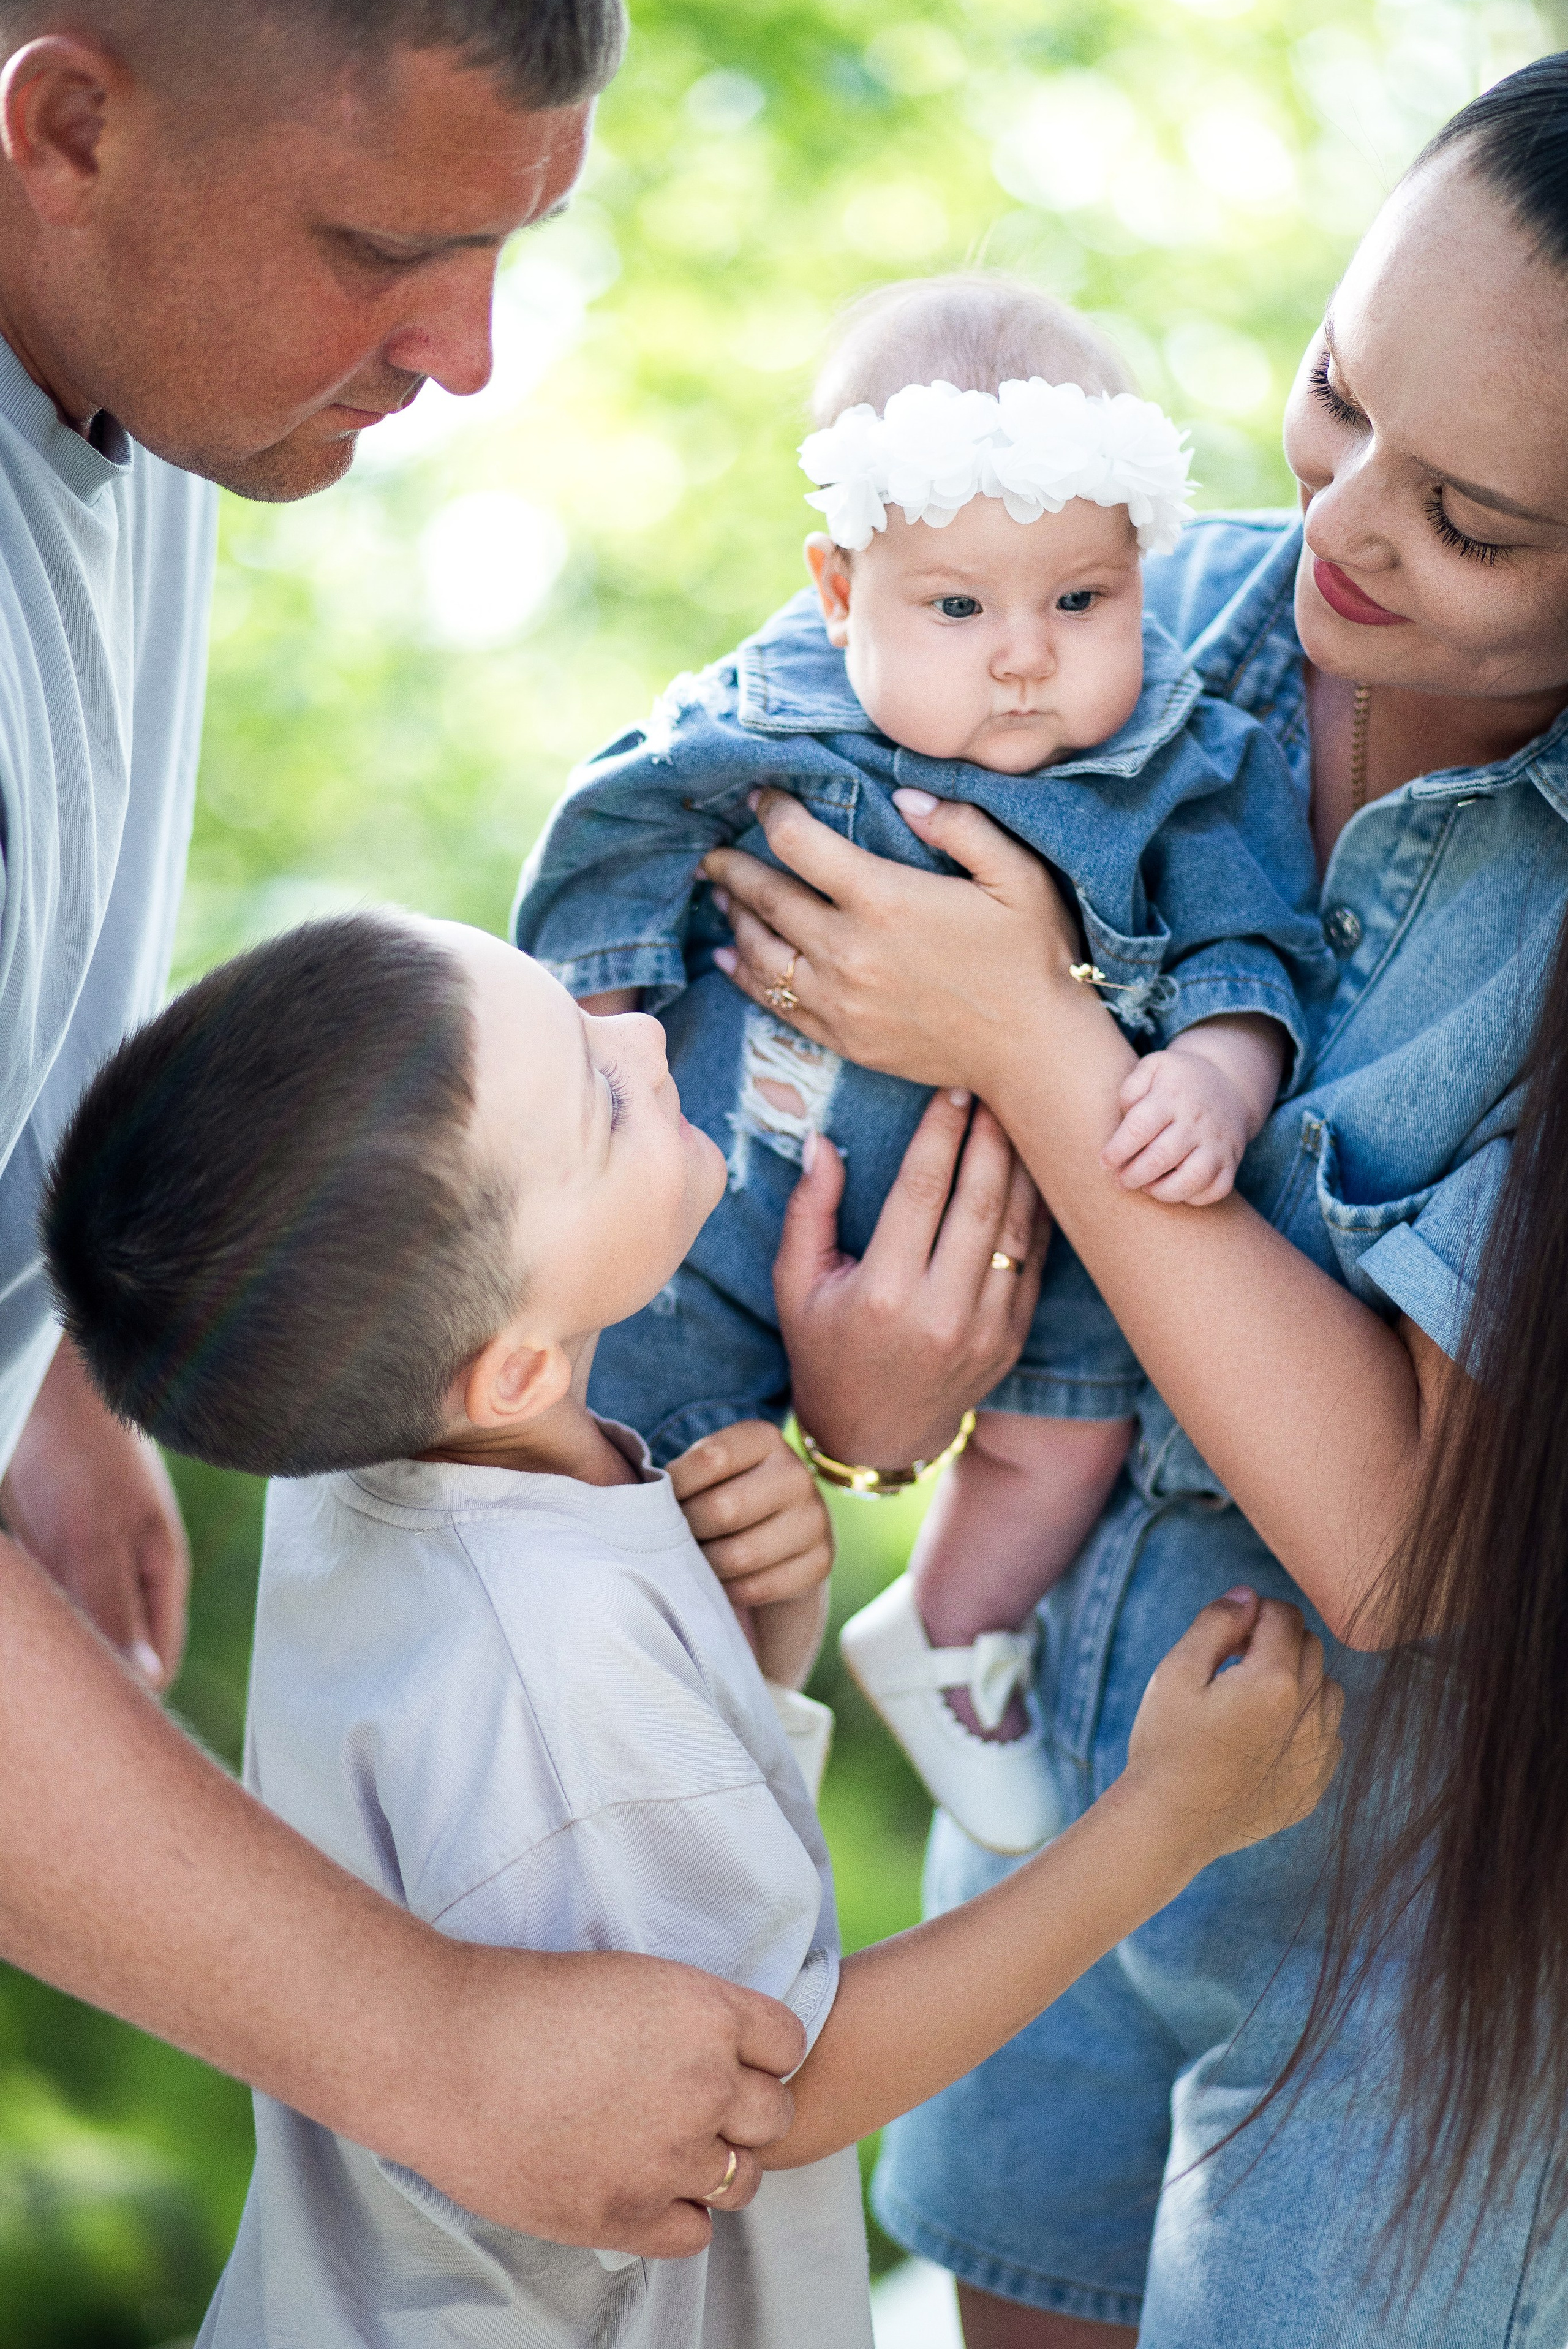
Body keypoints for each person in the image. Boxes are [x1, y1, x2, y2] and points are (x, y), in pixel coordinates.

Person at [697, 55, 1568, 2348]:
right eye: (1334, 397)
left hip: (1431, 1944)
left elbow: (1407, 1541)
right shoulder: (1097, 610)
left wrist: (1033, 1037)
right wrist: (855, 1411)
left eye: (1479, 521)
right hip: (1065, 1799)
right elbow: (755, 1043)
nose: (1348, 531)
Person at [40, 905, 1341, 2346]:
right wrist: (1165, 1823)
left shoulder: (359, 1471)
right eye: (599, 1103)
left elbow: (604, 1853)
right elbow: (780, 2085)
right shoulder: (560, 1654)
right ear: (513, 1362)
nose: (644, 1033)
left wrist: (749, 1647)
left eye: (573, 1004)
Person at [0, 0, 816, 2258]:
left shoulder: (152, 359)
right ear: (66, 128)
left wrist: (64, 1345)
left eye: (509, 245)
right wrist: (430, 2040)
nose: (462, 356)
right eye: (381, 246)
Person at [514, 273, 1332, 1854]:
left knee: (1074, 1423)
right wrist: (602, 1030)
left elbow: (1252, 938)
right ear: (842, 589)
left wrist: (1222, 1071)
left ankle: (950, 1633)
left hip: (1037, 1224)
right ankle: (606, 1733)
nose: (1024, 659)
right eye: (957, 608)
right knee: (638, 1431)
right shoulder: (770, 720)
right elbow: (607, 829)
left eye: (1080, 602)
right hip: (713, 1188)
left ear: (1139, 577)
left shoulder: (1179, 761)